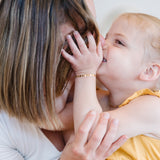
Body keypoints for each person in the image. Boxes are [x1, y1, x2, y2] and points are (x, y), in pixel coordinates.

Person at [0, 0, 127, 159]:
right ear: (40, 44)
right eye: (84, 33)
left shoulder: (109, 78)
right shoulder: (6, 130)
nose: (101, 43)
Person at [62, 12, 160, 159]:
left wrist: (85, 72)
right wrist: (69, 78)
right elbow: (54, 119)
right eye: (106, 37)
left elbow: (89, 133)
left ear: (149, 71)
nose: (102, 43)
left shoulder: (153, 106)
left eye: (119, 42)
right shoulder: (99, 98)